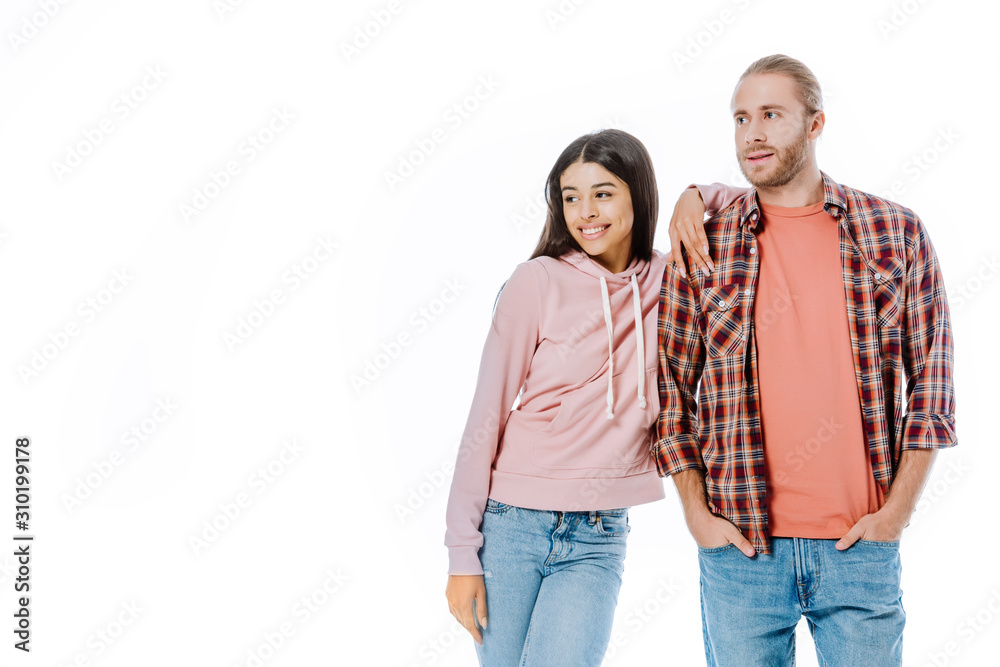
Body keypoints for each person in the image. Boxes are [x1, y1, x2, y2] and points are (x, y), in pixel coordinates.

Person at [656, 54, 957, 666]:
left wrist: (895, 513)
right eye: (741, 118)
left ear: (815, 124)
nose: (753, 134)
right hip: (741, 550)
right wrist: (697, 517)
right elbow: (670, 390)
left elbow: (933, 385)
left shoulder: (893, 233)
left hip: (860, 546)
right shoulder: (704, 242)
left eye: (772, 114)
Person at [443, 129, 739, 666]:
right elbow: (485, 417)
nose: (585, 212)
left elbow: (752, 206)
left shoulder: (669, 278)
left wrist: (694, 194)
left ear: (637, 194)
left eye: (603, 192)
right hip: (512, 524)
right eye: (570, 196)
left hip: (600, 531)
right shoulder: (536, 282)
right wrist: (462, 553)